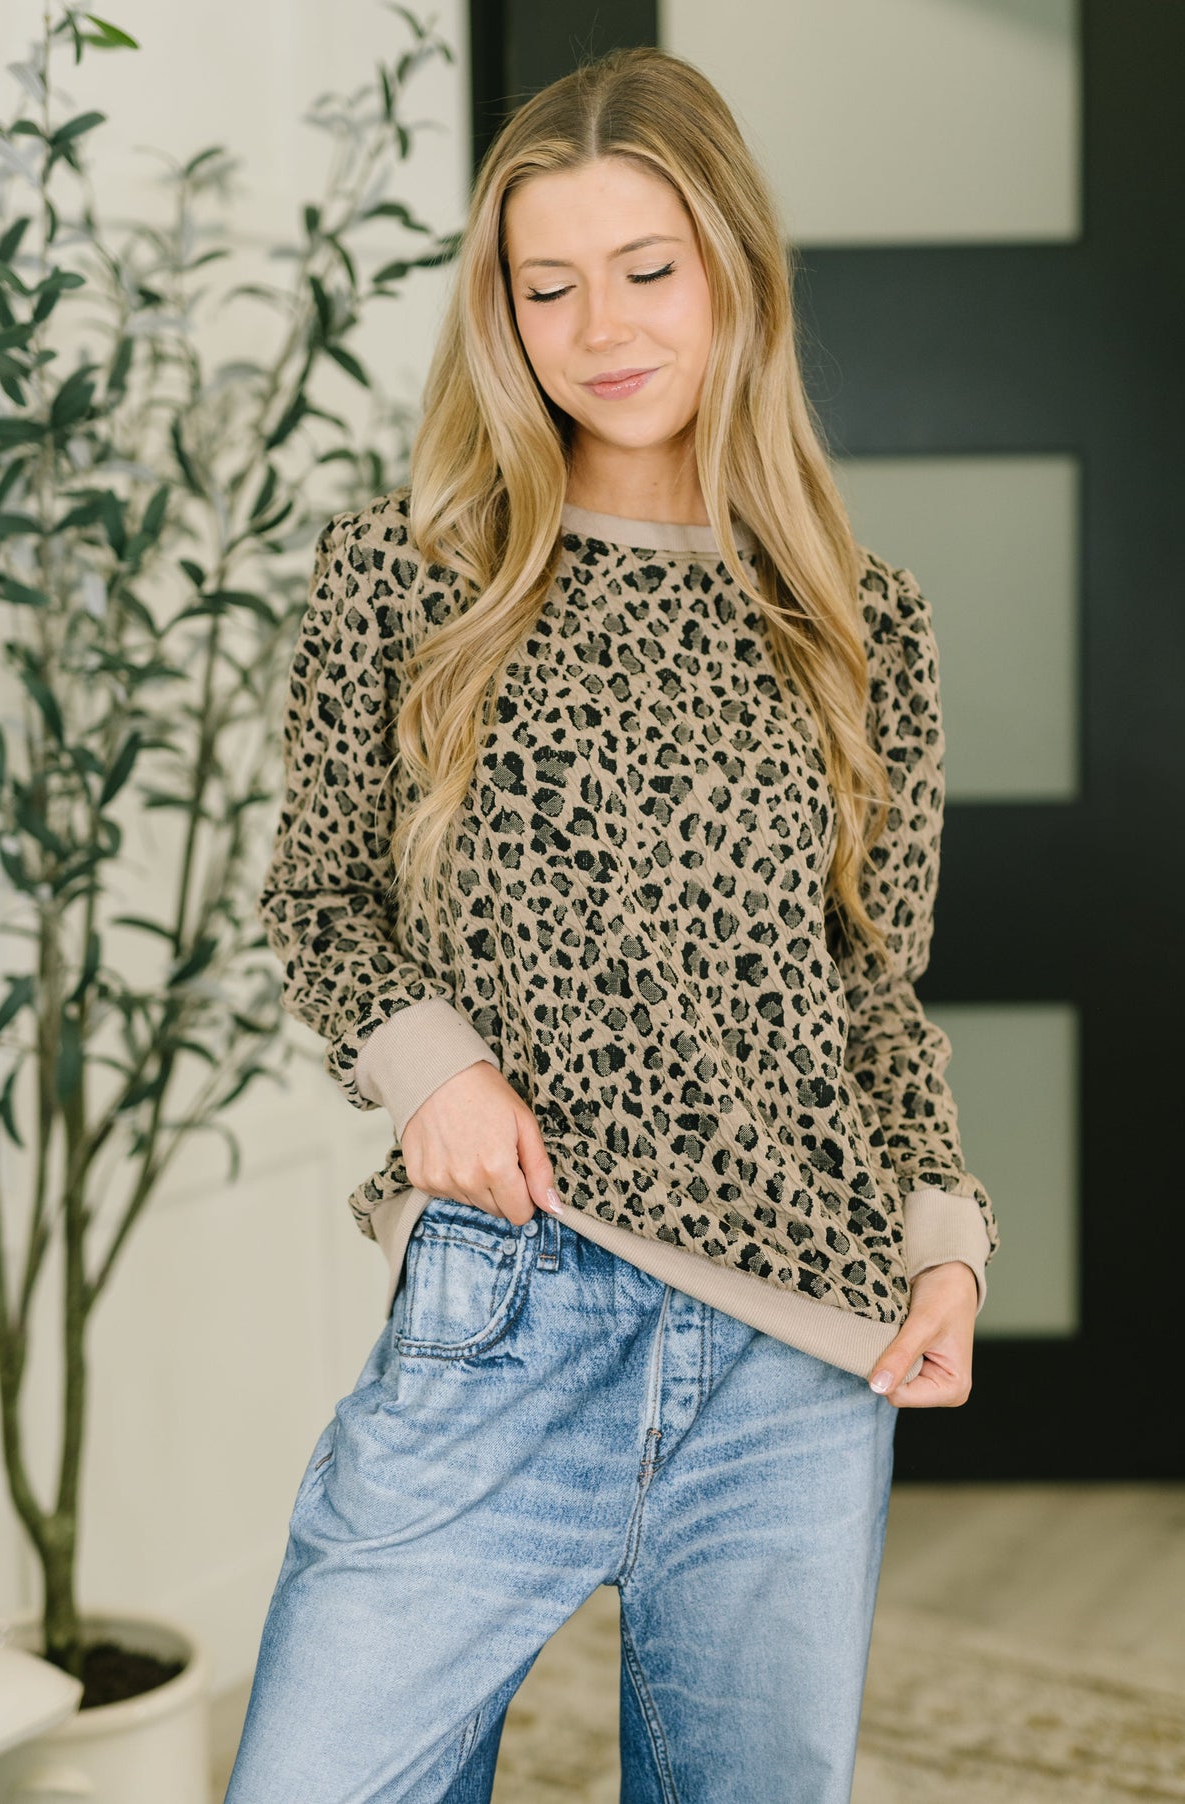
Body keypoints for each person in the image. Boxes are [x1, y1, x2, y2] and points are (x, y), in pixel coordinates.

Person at [223, 43, 999, 1804]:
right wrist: (433, 1068)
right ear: (501, 311)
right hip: (510, 1295)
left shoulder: (862, 620)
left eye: (647, 269)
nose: (601, 328)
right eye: (548, 284)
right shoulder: (406, 574)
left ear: (734, 269)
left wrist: (946, 1239)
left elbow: (874, 993)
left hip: (799, 1355)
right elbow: (319, 895)